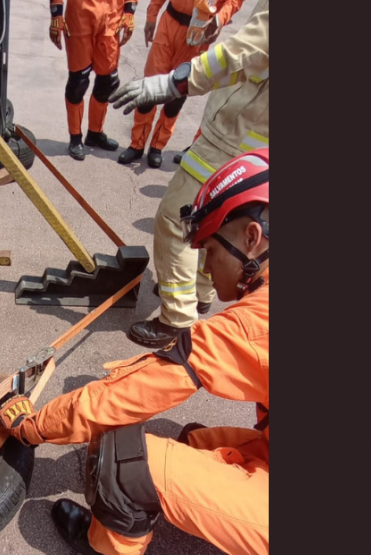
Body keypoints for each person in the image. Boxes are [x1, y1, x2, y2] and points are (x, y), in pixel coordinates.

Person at [0, 148, 270, 555]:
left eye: (211, 250)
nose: (208, 270)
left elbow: (138, 388)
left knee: (121, 461)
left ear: (251, 238)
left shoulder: (256, 322)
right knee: (196, 443)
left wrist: (35, 426)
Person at [109, 0, 268, 348]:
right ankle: (199, 292)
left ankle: (178, 320)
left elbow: (247, 48)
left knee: (176, 217)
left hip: (236, 136)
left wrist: (177, 82)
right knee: (225, 223)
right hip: (255, 139)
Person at [117, 0, 245, 168]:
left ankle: (157, 147)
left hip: (198, 32)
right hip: (168, 24)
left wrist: (220, 19)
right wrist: (152, 15)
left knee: (177, 94)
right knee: (149, 88)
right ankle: (136, 145)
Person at [49, 0, 137, 160]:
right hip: (80, 16)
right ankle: (75, 138)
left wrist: (130, 10)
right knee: (78, 82)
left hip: (111, 16)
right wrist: (56, 13)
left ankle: (95, 133)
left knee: (109, 81)